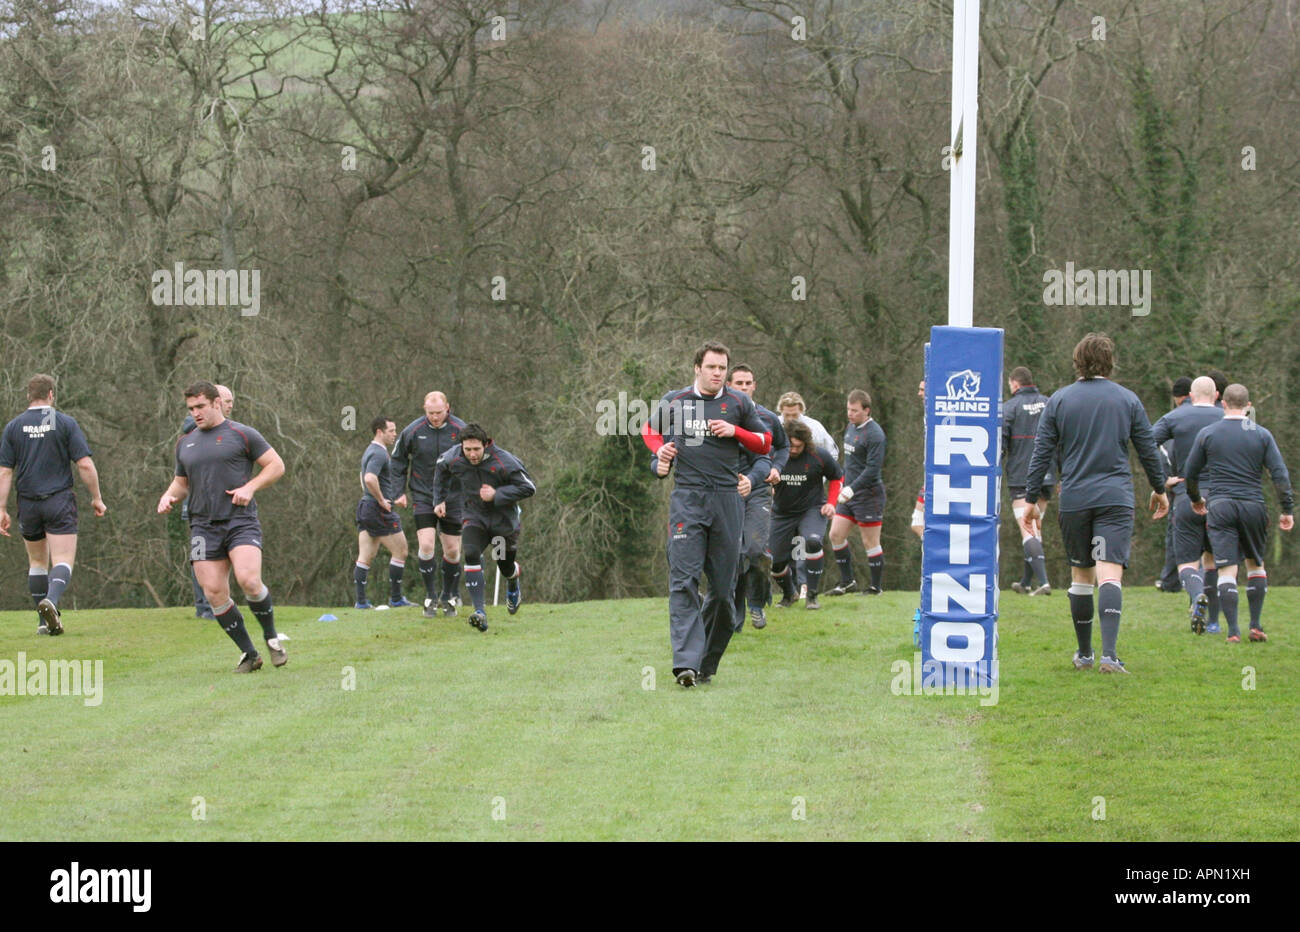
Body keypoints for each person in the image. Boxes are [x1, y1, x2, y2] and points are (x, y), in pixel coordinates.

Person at [1021, 333, 1168, 674]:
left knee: (1081, 574)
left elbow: (1040, 452)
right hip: (1115, 498)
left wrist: (1031, 499)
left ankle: (1085, 654)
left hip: (1075, 499)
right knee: (1110, 572)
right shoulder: (1127, 399)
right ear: (1110, 361)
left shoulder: (1059, 400)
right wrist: (1159, 488)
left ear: (1077, 362)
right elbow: (1147, 448)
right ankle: (1110, 655)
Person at [641, 341, 770, 687]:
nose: (717, 374)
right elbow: (649, 430)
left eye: (722, 368)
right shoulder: (676, 401)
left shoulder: (738, 403)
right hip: (688, 499)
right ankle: (684, 663)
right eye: (711, 367)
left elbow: (765, 442)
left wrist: (736, 431)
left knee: (724, 592)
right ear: (697, 368)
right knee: (683, 581)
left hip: (728, 501)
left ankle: (706, 663)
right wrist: (661, 452)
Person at [157, 381, 287, 673]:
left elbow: (276, 465)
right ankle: (249, 653)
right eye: (191, 409)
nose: (196, 414)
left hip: (240, 521)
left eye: (200, 407)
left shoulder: (242, 434)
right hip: (202, 526)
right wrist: (168, 496)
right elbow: (181, 483)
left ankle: (271, 638)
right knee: (214, 592)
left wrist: (251, 487)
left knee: (249, 581)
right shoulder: (185, 442)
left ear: (217, 403)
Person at [1184, 384, 1294, 643]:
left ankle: (1233, 631)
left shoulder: (1208, 434)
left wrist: (1195, 498)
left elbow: (1190, 473)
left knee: (1226, 570)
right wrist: (1286, 508)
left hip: (1220, 506)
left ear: (1223, 403)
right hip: (1253, 505)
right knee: (1255, 565)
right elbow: (1279, 475)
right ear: (1249, 405)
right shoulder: (1262, 435)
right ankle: (1255, 626)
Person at [0, 374, 107, 636]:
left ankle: (42, 622)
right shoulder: (64, 422)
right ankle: (52, 601)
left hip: (28, 503)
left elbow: (5, 471)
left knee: (37, 561)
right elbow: (84, 464)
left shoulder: (13, 427)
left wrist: (1, 508)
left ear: (28, 396)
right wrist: (96, 497)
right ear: (51, 395)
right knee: (62, 559)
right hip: (58, 500)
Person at [431, 423, 535, 632]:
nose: (472, 454)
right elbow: (440, 467)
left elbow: (528, 487)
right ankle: (480, 612)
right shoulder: (454, 456)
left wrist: (498, 494)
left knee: (504, 565)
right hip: (474, 516)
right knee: (470, 553)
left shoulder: (504, 461)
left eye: (476, 449)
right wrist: (439, 499)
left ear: (486, 444)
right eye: (467, 449)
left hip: (502, 522)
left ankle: (513, 580)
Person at [1152, 377, 1223, 633]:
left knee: (1186, 563)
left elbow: (1146, 442)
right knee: (1213, 560)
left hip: (1185, 496)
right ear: (1216, 395)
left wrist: (1162, 480)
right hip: (1221, 498)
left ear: (1191, 396)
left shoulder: (1174, 417)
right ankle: (1214, 623)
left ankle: (1196, 597)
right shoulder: (1228, 416)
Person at [391, 392, 469, 617]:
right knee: (426, 546)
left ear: (448, 407)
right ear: (424, 410)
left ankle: (449, 595)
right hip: (423, 494)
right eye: (430, 413)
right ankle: (430, 596)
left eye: (439, 413)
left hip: (453, 496)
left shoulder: (460, 430)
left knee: (453, 550)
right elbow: (397, 461)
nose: (435, 417)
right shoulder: (413, 431)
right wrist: (399, 492)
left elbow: (475, 458)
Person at [726, 364, 788, 630]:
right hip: (727, 490)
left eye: (748, 383)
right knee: (732, 554)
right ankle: (734, 616)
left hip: (759, 489)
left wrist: (777, 468)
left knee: (754, 549)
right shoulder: (721, 415)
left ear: (754, 386)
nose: (744, 387)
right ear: (729, 385)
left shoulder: (767, 417)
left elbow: (783, 447)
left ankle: (757, 603)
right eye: (738, 383)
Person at [769, 421, 840, 611]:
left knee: (813, 542)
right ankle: (789, 593)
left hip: (812, 509)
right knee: (773, 560)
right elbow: (760, 473)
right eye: (790, 445)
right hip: (782, 512)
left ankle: (812, 595)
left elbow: (837, 477)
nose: (793, 450)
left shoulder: (819, 455)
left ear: (806, 443)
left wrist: (831, 503)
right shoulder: (773, 454)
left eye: (798, 446)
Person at [181, 383, 234, 619]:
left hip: (227, 507)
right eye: (226, 400)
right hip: (198, 506)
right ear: (215, 401)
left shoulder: (233, 431)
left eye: (232, 401)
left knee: (224, 556)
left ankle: (220, 602)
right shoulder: (193, 428)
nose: (229, 405)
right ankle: (204, 606)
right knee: (201, 556)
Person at [777, 390, 837, 599]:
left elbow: (832, 456)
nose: (791, 419)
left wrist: (815, 477)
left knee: (807, 539)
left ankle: (805, 585)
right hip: (784, 493)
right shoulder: (775, 427)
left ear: (801, 411)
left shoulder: (815, 429)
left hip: (809, 492)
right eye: (787, 415)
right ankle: (790, 587)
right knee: (785, 543)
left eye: (794, 415)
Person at [828, 389, 886, 596]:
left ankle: (875, 588)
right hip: (848, 493)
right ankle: (847, 582)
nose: (850, 414)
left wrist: (852, 488)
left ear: (867, 410)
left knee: (870, 541)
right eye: (848, 410)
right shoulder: (851, 428)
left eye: (854, 410)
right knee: (835, 535)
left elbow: (872, 470)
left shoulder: (875, 434)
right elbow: (851, 463)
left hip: (869, 495)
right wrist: (842, 482)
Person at [353, 416, 416, 609]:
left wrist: (387, 497)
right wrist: (381, 500)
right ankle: (396, 599)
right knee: (401, 551)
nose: (395, 434)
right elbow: (370, 479)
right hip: (377, 509)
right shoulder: (379, 453)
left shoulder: (369, 451)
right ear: (380, 432)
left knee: (366, 555)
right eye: (391, 431)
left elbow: (364, 480)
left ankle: (361, 602)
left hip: (366, 506)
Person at [1003, 367, 1054, 596]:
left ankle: (1043, 582)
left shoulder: (1010, 408)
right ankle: (1025, 582)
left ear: (1014, 384)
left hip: (1022, 476)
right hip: (1048, 474)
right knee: (1034, 527)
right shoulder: (1050, 403)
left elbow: (1001, 444)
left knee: (1028, 530)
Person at [1154, 377, 1191, 594]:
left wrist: (1161, 481)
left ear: (1177, 398)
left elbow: (1154, 448)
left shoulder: (1171, 421)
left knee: (1177, 536)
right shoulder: (1216, 416)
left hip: (1181, 488)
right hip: (1215, 487)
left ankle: (1171, 581)